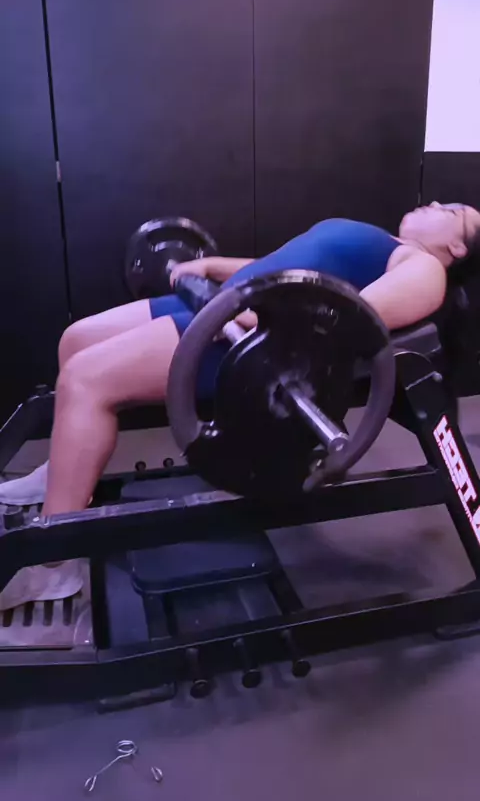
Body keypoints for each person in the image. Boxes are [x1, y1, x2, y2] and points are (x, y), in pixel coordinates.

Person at [1, 202, 479, 610]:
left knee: (87, 380)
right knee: (77, 339)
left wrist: (273, 317)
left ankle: (54, 564)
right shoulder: (382, 241)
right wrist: (213, 267)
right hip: (223, 303)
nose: (436, 205)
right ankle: (62, 477)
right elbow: (280, 266)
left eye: (452, 212)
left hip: (241, 334)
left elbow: (350, 316)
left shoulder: (425, 268)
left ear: (457, 248)